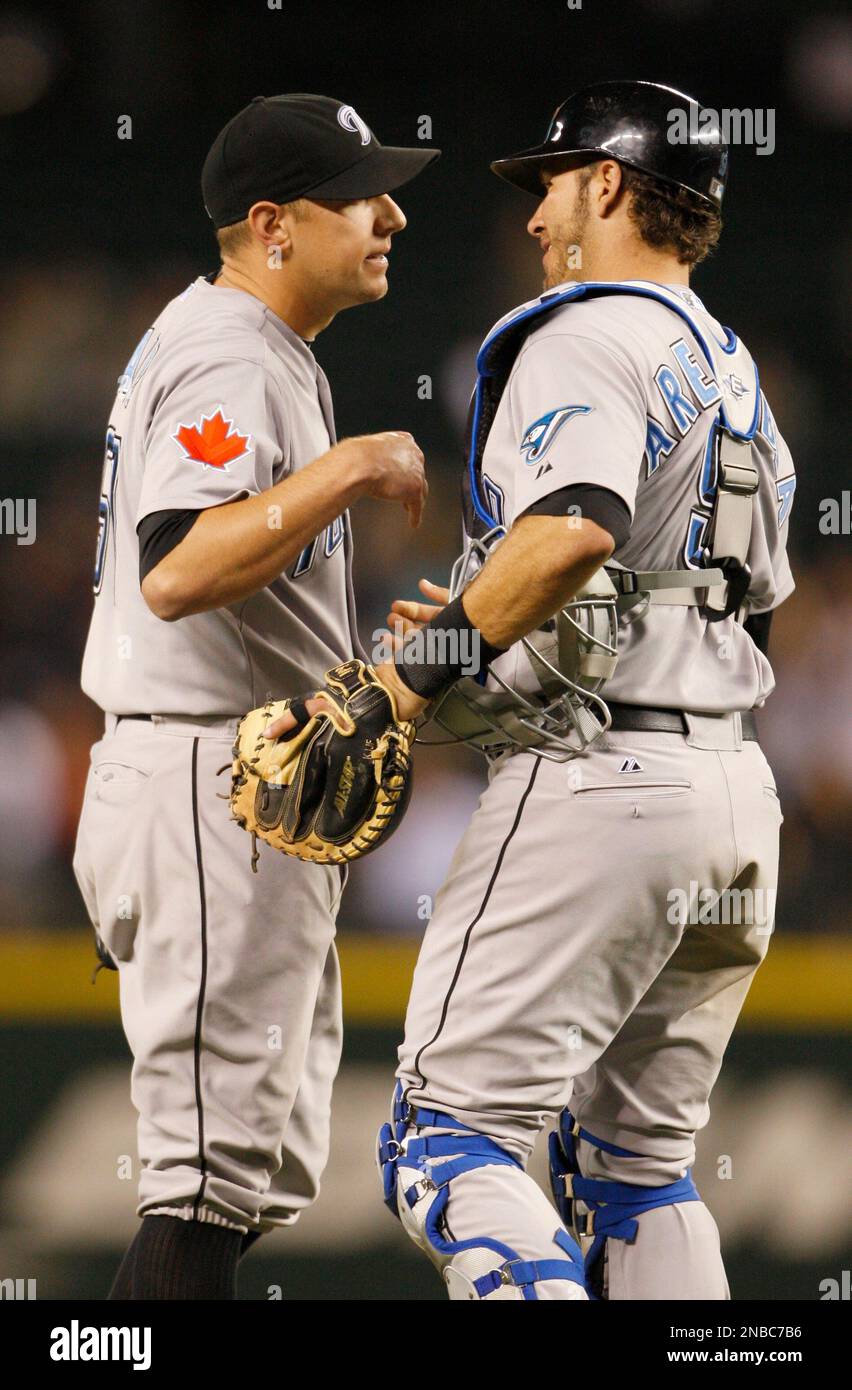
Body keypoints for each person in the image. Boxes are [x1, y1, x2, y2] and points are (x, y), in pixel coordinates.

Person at [372, 81, 796, 1300]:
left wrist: (415, 678)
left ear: (608, 184)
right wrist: (475, 624)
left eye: (552, 182)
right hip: (733, 792)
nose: (533, 217)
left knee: (446, 1137)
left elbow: (572, 535)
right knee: (639, 1165)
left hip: (601, 785)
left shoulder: (581, 330)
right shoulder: (726, 356)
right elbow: (712, 591)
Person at [72, 93, 436, 1300]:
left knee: (230, 1189)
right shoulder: (229, 345)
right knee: (197, 1192)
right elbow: (176, 570)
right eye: (359, 195)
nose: (390, 213)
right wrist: (352, 465)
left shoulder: (256, 347)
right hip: (202, 784)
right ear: (272, 225)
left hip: (231, 784)